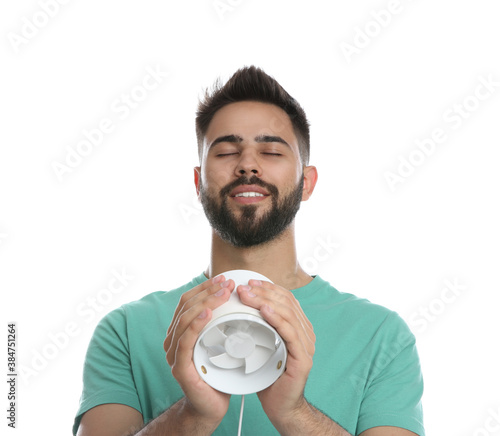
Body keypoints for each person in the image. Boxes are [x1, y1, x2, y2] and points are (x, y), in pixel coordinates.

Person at [73, 66, 425, 436]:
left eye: (271, 151)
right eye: (226, 151)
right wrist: (193, 416)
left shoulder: (381, 336)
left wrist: (294, 413)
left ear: (306, 182)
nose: (247, 165)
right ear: (198, 182)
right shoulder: (126, 331)